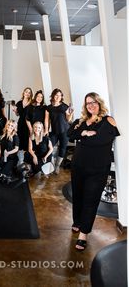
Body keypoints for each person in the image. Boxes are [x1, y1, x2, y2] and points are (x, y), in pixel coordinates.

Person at [67, 92, 120, 251]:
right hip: (78, 166)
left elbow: (100, 140)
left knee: (90, 200)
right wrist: (84, 133)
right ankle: (77, 221)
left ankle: (83, 234)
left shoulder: (108, 121)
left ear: (99, 103)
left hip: (97, 169)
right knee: (78, 196)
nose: (91, 105)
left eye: (94, 102)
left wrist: (82, 137)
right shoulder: (81, 121)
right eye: (88, 103)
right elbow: (70, 133)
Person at [47, 88, 73, 174]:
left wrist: (71, 114)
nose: (58, 97)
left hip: (65, 130)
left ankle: (57, 166)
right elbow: (47, 120)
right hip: (54, 131)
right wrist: (46, 130)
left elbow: (68, 119)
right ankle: (52, 165)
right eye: (56, 95)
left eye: (60, 95)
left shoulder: (64, 106)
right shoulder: (49, 107)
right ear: (53, 96)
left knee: (62, 148)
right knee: (49, 147)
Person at [13, 87, 33, 152]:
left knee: (27, 139)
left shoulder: (32, 103)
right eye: (26, 92)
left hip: (28, 123)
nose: (27, 93)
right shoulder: (19, 103)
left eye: (29, 93)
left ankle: (26, 156)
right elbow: (17, 115)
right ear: (24, 92)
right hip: (21, 122)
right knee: (20, 138)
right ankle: (20, 157)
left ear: (30, 95)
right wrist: (15, 111)